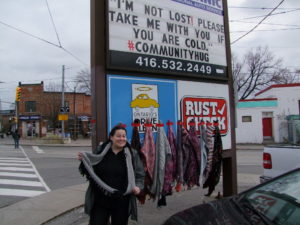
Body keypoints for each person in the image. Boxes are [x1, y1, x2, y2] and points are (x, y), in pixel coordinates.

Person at [78, 125, 145, 225]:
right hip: (101, 199)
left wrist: (138, 187)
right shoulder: (101, 151)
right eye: (118, 136)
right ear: (111, 137)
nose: (122, 139)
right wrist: (83, 159)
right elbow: (91, 166)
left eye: (124, 136)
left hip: (122, 199)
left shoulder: (132, 154)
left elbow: (140, 175)